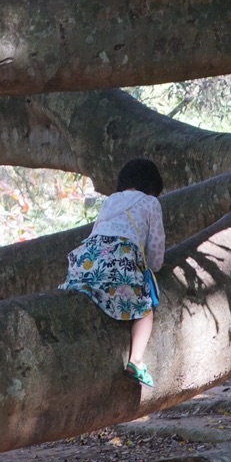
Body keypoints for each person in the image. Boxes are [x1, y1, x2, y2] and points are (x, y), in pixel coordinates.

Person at [62, 158, 166, 387]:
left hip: (86, 258)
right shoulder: (150, 203)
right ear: (152, 183)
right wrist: (153, 266)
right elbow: (156, 248)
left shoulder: (111, 201)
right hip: (119, 258)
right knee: (145, 310)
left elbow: (98, 231)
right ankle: (136, 361)